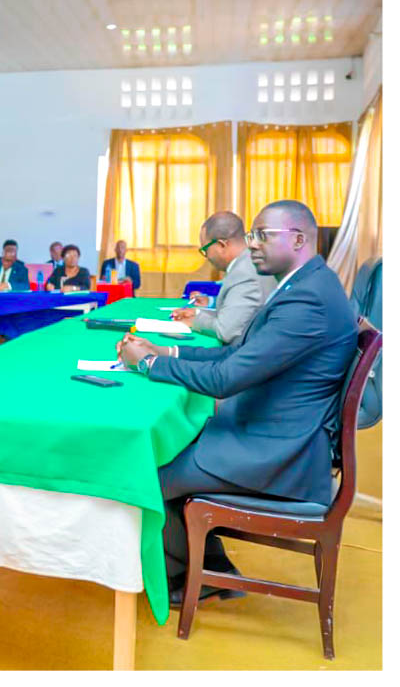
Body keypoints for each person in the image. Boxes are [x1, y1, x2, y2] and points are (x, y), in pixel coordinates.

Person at [116, 200, 358, 605]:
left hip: (279, 453)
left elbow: (226, 379)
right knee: (174, 443)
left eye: (262, 235)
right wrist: (168, 352)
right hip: (276, 433)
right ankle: (211, 571)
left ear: (299, 239)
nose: (253, 244)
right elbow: (240, 354)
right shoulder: (308, 284)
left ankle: (182, 580)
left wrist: (149, 363)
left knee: (147, 475)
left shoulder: (307, 301)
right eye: (251, 235)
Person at [169, 212, 276, 344]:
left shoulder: (245, 273)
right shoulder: (249, 262)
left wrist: (194, 321)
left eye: (205, 250)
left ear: (221, 245)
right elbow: (241, 314)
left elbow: (226, 331)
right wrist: (198, 313)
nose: (207, 257)